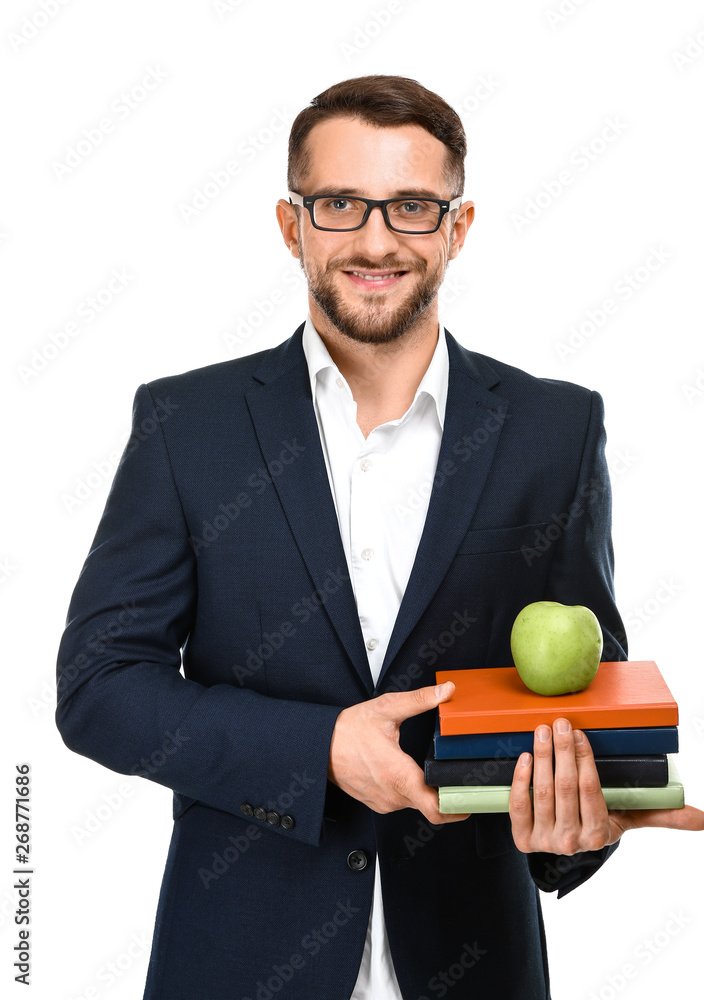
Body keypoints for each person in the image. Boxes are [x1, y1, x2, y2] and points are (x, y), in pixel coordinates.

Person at [55, 74, 704, 1000]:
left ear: (458, 226)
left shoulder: (553, 430)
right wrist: (321, 750)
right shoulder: (184, 425)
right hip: (237, 966)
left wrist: (579, 829)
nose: (374, 239)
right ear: (292, 226)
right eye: (338, 204)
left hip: (476, 967)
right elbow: (100, 687)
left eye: (409, 206)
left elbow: (580, 696)